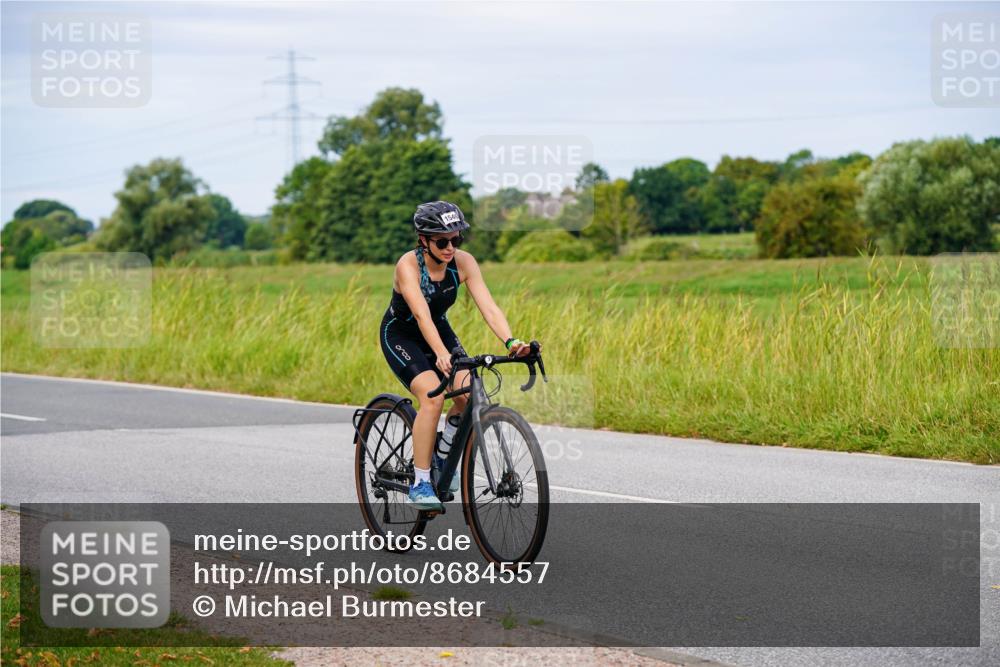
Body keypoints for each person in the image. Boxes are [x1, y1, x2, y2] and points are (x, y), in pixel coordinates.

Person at [380, 201, 537, 511]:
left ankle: (443, 455)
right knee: (432, 397)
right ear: (423, 239)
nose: (451, 247)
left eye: (457, 239)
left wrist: (512, 341)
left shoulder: (464, 263)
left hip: (440, 330)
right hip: (402, 336)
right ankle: (421, 481)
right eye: (442, 241)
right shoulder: (408, 266)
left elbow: (489, 306)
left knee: (468, 396)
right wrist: (439, 354)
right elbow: (421, 316)